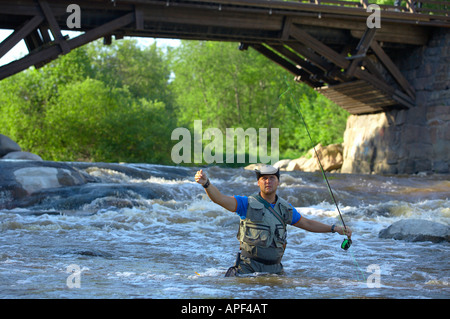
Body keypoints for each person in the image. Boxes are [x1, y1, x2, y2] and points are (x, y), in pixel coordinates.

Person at [195, 164, 352, 277]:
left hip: (275, 272)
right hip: (248, 270)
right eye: (263, 178)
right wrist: (206, 184)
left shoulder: (285, 208)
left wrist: (334, 228)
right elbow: (220, 199)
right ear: (258, 182)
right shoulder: (246, 203)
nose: (267, 181)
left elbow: (307, 223)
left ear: (278, 182)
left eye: (271, 178)